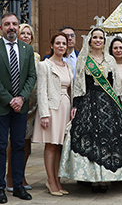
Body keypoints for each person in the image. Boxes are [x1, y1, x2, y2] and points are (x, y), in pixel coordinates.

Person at [59, 28, 122, 193]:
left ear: (104, 41)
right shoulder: (84, 59)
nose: (98, 40)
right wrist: (76, 105)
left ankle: (106, 178)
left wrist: (118, 104)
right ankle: (94, 178)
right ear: (90, 40)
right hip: (89, 101)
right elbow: (79, 84)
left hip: (109, 103)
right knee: (91, 138)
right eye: (95, 37)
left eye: (101, 38)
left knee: (110, 138)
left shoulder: (109, 60)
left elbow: (115, 84)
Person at [0, 12, 36, 203]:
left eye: (14, 24)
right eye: (7, 24)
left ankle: (18, 186)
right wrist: (9, 99)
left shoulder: (27, 50)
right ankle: (0, 187)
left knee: (19, 146)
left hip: (21, 108)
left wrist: (21, 98)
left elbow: (32, 76)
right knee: (0, 146)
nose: (11, 27)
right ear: (1, 28)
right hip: (1, 107)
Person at [33, 32, 73, 196]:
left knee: (59, 146)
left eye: (64, 43)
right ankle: (51, 181)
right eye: (58, 43)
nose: (61, 46)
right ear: (52, 45)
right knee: (50, 145)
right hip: (51, 108)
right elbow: (41, 91)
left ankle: (57, 180)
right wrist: (44, 114)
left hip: (65, 107)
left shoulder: (68, 66)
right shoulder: (44, 65)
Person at [6, 23, 40, 192]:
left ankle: (21, 174)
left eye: (29, 34)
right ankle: (9, 176)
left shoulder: (35, 56)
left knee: (25, 144)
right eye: (23, 33)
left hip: (30, 106)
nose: (26, 36)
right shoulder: (10, 52)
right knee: (12, 142)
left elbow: (34, 79)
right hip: (12, 103)